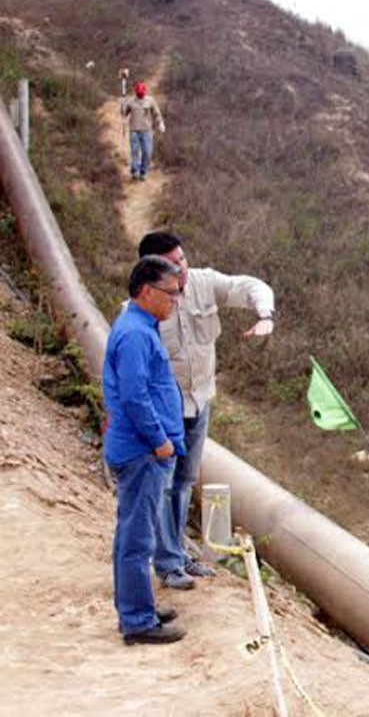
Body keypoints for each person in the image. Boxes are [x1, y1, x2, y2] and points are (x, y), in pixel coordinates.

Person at [137, 231, 276, 590]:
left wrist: (265, 314)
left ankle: (180, 555)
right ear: (152, 270)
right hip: (163, 413)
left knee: (184, 482)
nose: (182, 267)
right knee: (163, 486)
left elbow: (248, 286)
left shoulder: (202, 283)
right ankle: (167, 564)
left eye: (182, 258)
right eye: (172, 263)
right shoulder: (142, 308)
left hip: (199, 402)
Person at [104, 255, 187, 645]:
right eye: (171, 294)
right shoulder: (136, 334)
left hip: (141, 450)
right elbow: (136, 397)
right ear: (147, 291)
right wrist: (160, 441)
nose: (175, 300)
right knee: (138, 541)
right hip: (142, 452)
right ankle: (137, 621)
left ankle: (140, 606)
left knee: (133, 536)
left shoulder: (142, 327)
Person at [121, 80, 166, 181]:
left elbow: (156, 113)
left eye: (142, 93)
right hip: (134, 131)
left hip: (147, 131)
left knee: (147, 152)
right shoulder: (131, 101)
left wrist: (160, 123)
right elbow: (124, 113)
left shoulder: (150, 100)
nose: (140, 95)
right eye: (138, 93)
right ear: (136, 92)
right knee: (135, 152)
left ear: (145, 92)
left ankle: (143, 171)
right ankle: (135, 171)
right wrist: (123, 103)